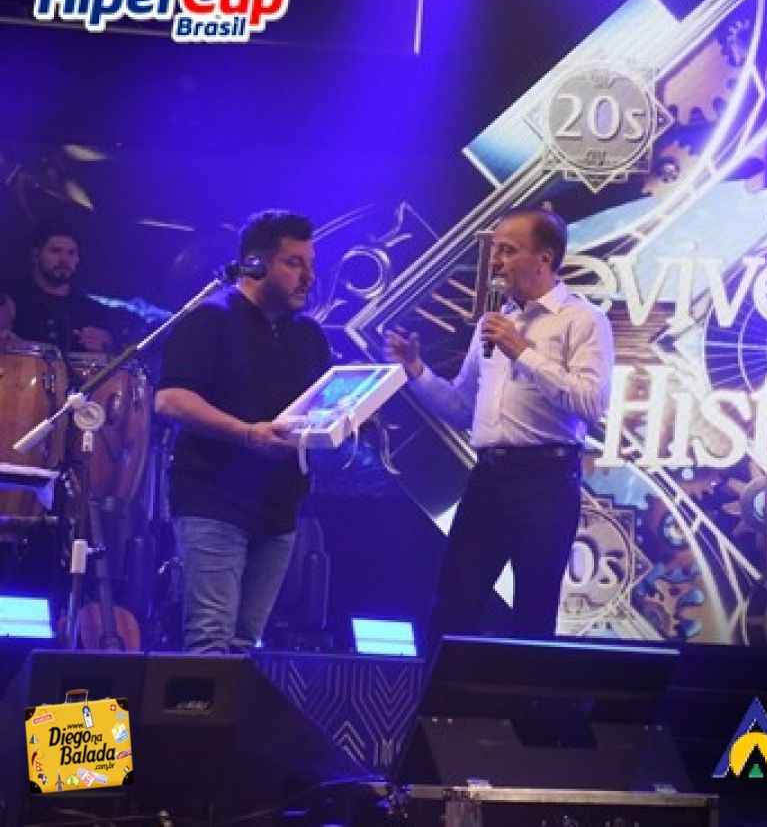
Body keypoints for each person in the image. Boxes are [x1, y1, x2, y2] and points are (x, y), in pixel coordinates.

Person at [385, 207, 614, 646]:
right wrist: (416, 370)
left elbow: (591, 403)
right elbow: (461, 409)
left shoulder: (582, 319)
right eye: (495, 251)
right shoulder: (492, 324)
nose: (495, 261)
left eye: (508, 251)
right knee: (453, 604)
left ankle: (527, 693)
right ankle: (442, 692)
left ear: (544, 259)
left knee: (533, 612)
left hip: (546, 480)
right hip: (489, 475)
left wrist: (522, 351)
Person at [154, 210, 331, 654]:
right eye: (294, 263)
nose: (308, 277)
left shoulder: (308, 335)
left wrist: (353, 419)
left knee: (242, 644)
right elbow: (171, 400)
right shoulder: (209, 319)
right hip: (213, 498)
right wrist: (247, 434)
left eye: (310, 264)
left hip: (279, 509)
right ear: (255, 264)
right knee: (211, 637)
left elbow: (320, 407)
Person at [0, 221, 123, 353]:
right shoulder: (10, 290)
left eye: (71, 253)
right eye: (55, 251)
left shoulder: (92, 311)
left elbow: (118, 353)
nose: (64, 260)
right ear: (36, 255)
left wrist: (107, 344)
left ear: (78, 259)